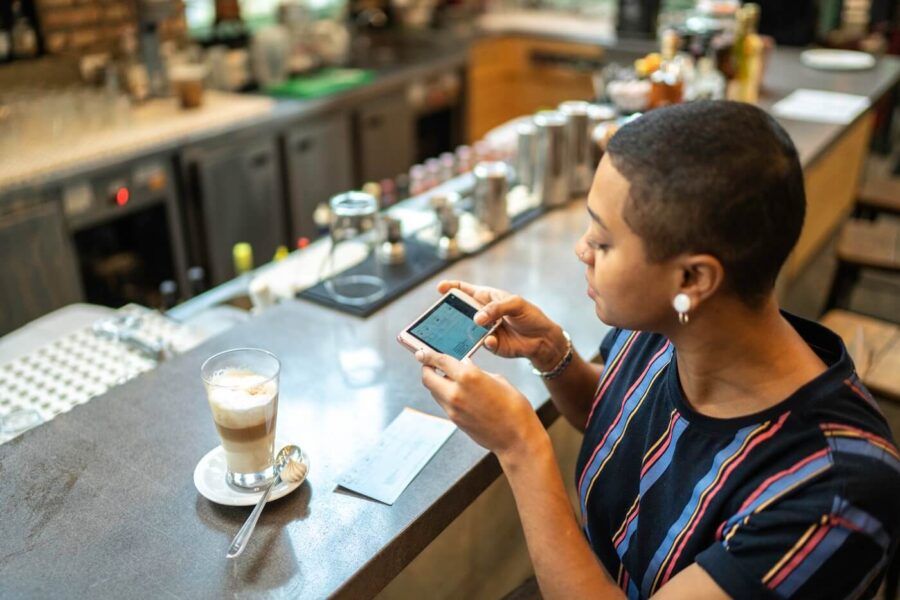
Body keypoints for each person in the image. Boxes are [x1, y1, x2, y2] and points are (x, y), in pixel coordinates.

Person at [415, 101, 900, 599]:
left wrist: (520, 448)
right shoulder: (670, 323)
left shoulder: (829, 495)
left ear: (692, 277)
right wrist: (554, 355)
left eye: (603, 242)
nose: (582, 250)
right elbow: (622, 424)